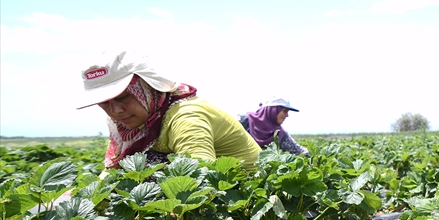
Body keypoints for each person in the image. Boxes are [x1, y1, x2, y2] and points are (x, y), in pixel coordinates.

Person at [78, 51, 261, 169]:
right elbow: (113, 174)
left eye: (123, 97)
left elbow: (203, 176)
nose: (115, 111)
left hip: (245, 192)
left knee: (146, 166)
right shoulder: (138, 122)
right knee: (132, 166)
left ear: (147, 88)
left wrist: (164, 217)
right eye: (104, 102)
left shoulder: (186, 117)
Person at [240, 98, 310, 157]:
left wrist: (314, 157)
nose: (287, 115)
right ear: (273, 110)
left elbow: (299, 151)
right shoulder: (244, 121)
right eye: (285, 111)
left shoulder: (280, 134)